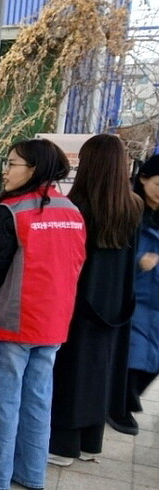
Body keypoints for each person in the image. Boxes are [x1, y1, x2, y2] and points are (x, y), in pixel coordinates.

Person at [0, 138, 86, 490]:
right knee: (37, 399)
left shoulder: (12, 211)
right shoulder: (72, 211)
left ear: (34, 168)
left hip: (13, 320)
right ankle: (32, 472)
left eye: (13, 163)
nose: (5, 170)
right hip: (53, 321)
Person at [47, 134, 141, 465]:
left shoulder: (76, 209)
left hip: (78, 305)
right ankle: (90, 443)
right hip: (116, 306)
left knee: (72, 370)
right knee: (102, 371)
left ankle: (63, 445)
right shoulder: (132, 207)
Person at [118, 154, 159, 434]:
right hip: (136, 298)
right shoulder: (131, 212)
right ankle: (121, 406)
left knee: (152, 361)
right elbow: (116, 254)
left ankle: (124, 402)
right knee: (134, 356)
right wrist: (138, 262)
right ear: (143, 179)